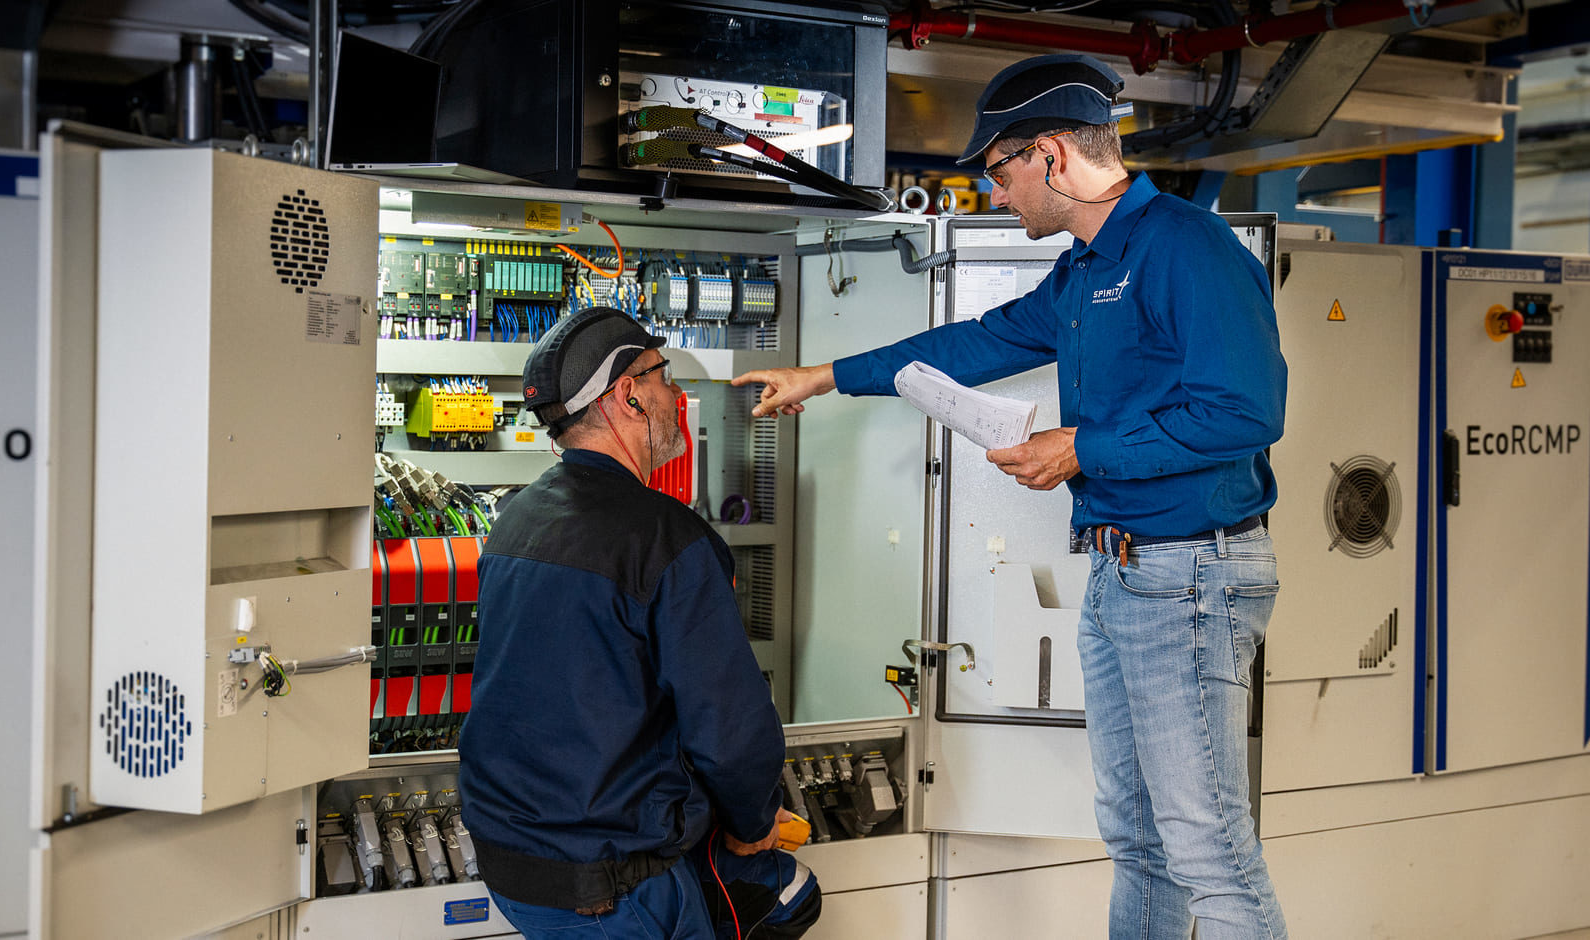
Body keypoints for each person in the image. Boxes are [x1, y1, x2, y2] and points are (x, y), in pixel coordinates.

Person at [733, 54, 1289, 939]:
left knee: (1208, 851)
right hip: (1122, 573)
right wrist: (823, 375)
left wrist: (1079, 448)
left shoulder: (1187, 248)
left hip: (1189, 576)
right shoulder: (1083, 270)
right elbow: (977, 342)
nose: (995, 194)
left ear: (1053, 156)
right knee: (1138, 838)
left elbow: (1246, 413)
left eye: (999, 171)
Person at [460, 307, 820, 939]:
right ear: (629, 395)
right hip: (613, 887)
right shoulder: (668, 540)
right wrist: (753, 822)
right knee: (789, 894)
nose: (675, 393)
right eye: (664, 375)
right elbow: (729, 724)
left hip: (512, 864)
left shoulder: (516, 521)